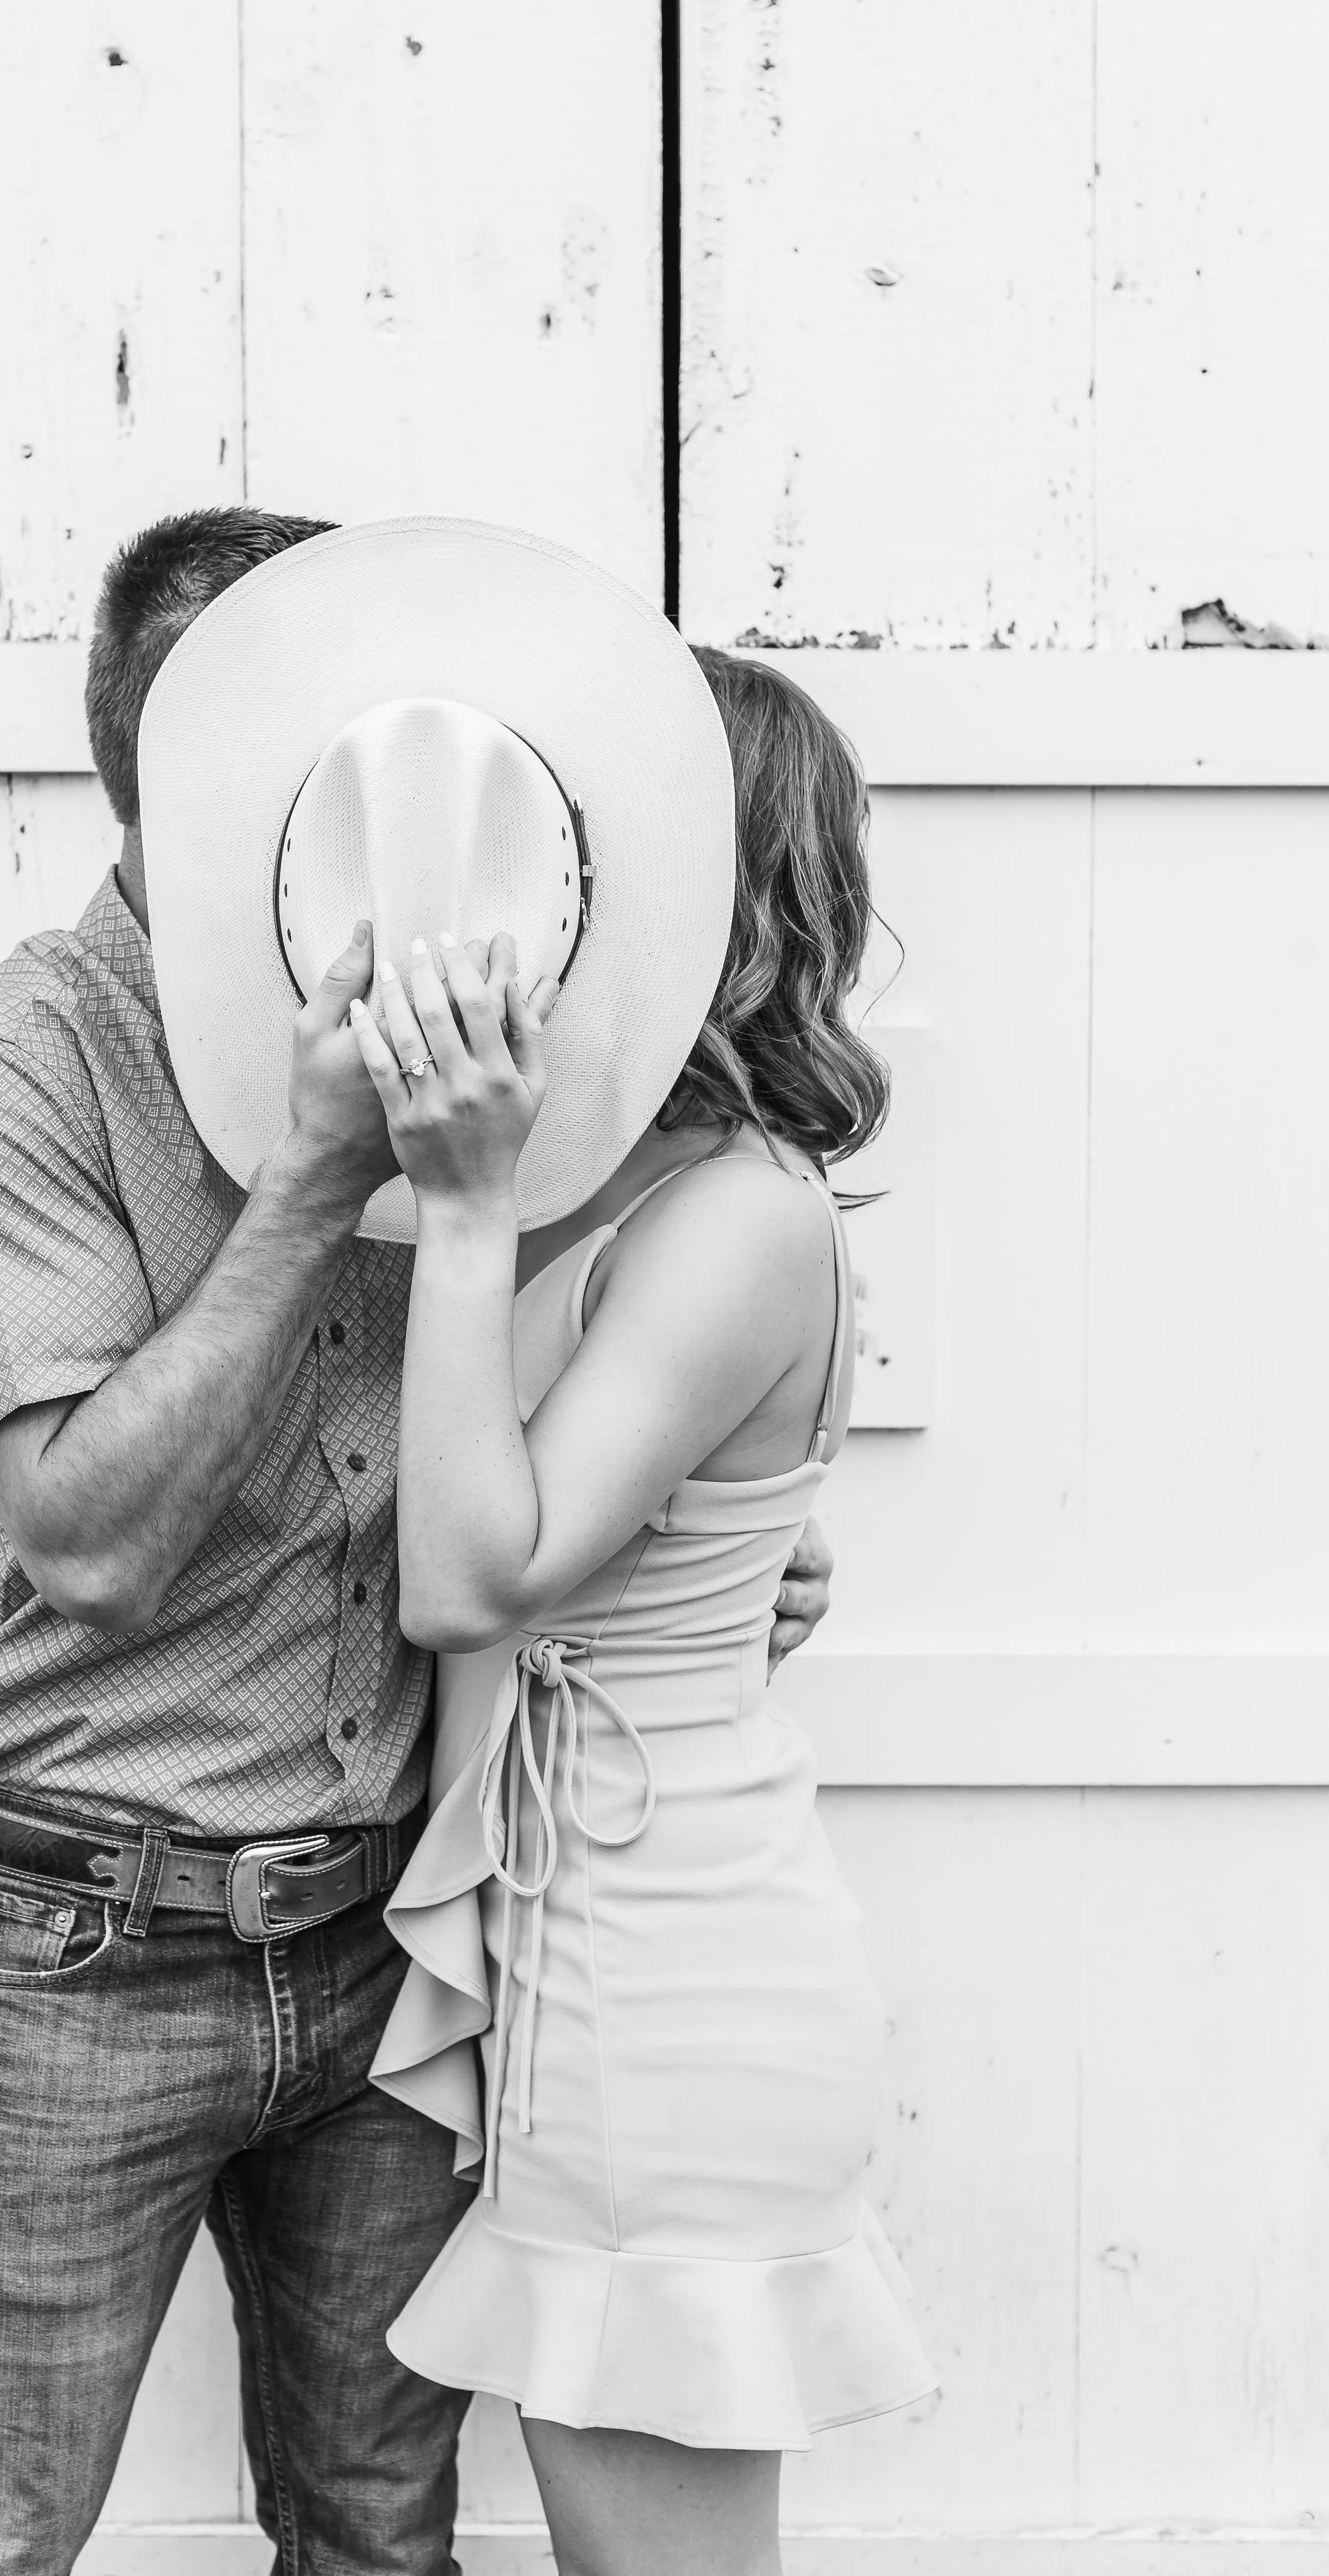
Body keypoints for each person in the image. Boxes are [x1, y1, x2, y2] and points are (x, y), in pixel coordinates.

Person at [0, 509, 835, 2576]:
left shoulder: (485, 1061)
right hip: (84, 1934)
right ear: (177, 780)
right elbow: (91, 1555)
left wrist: (692, 1562)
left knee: (379, 2530)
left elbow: (541, 1465)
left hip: (389, 1919)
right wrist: (311, 1181)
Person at [355, 649, 938, 2576]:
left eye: (578, 839)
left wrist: (459, 1210)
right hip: (599, 1948)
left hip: (671, 1979)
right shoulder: (626, 1182)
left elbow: (462, 1576)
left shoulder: (740, 1214)